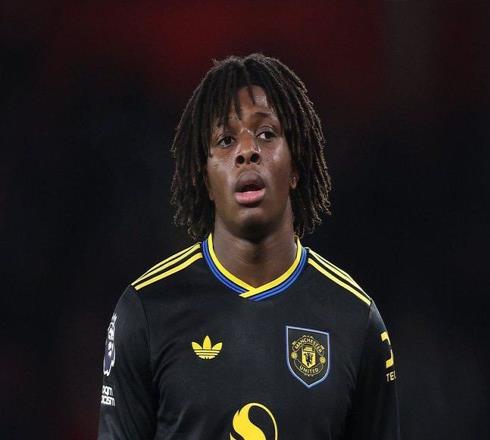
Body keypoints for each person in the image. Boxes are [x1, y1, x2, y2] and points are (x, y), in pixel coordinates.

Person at [97, 53, 400, 439]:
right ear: (205, 179)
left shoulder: (355, 319)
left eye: (267, 134)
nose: (247, 151)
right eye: (225, 140)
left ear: (295, 166)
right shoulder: (146, 311)